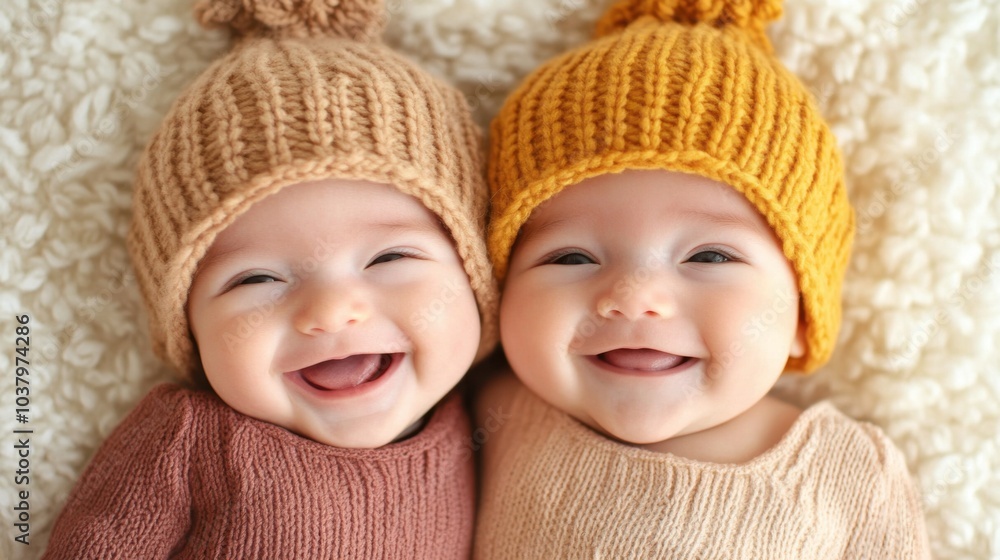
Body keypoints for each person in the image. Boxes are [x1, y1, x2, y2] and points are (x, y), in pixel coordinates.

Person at [474, 0, 931, 558]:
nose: (634, 298)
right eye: (570, 258)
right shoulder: (488, 416)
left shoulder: (851, 472)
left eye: (710, 257)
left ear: (803, 315)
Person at [43, 0, 497, 557]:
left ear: (476, 275)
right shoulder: (190, 442)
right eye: (255, 279)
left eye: (390, 258)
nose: (331, 311)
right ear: (187, 327)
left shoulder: (490, 425)